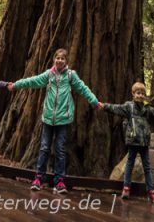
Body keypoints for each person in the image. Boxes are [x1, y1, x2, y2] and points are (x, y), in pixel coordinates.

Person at [8, 48, 101, 193]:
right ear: (54, 60)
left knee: (60, 150)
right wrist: (16, 85)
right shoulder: (48, 75)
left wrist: (94, 101)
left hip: (63, 119)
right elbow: (32, 81)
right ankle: (39, 178)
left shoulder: (71, 76)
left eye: (62, 58)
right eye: (57, 58)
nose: (59, 60)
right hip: (48, 119)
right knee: (44, 148)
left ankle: (60, 181)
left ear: (66, 61)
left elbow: (83, 89)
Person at [102, 81, 154, 203]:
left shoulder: (147, 109)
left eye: (142, 93)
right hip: (133, 141)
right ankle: (126, 189)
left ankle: (151, 192)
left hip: (144, 142)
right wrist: (103, 105)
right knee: (130, 165)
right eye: (138, 93)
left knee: (147, 167)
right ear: (133, 94)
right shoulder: (129, 107)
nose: (140, 95)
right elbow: (115, 108)